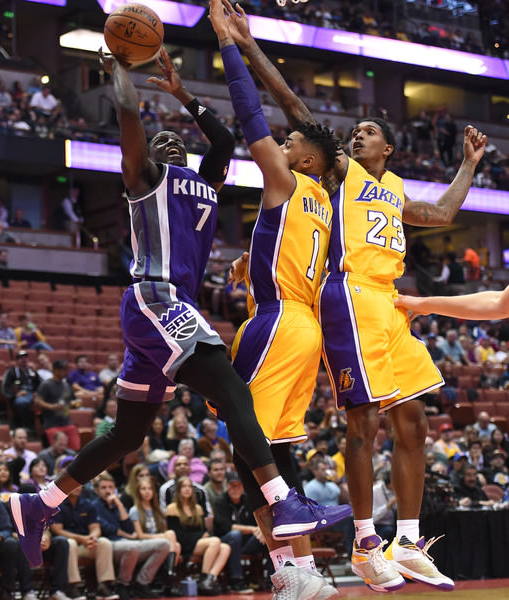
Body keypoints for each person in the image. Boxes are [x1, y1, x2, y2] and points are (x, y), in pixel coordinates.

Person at [9, 42, 353, 575]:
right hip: (156, 298)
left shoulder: (205, 183)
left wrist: (182, 93)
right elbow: (129, 118)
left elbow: (222, 138)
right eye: (159, 138)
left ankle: (40, 504)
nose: (167, 139)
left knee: (127, 435)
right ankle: (282, 497)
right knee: (234, 390)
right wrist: (122, 71)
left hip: (171, 312)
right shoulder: (144, 179)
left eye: (175, 138)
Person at [217, 0, 485, 592]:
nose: (358, 133)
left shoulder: (392, 189)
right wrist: (247, 42)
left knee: (413, 419)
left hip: (389, 301)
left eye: (369, 132)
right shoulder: (340, 172)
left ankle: (409, 541)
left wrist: (468, 164)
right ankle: (366, 543)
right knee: (362, 422)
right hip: (349, 294)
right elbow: (294, 108)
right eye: (354, 132)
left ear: (387, 149)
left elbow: (441, 212)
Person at [208, 5, 349, 599]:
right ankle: (299, 570)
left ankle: (294, 570)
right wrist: (251, 262)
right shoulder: (324, 196)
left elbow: (247, 115)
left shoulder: (288, 180)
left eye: (290, 143)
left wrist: (228, 46)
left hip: (278, 322)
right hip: (302, 328)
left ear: (306, 160)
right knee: (265, 450)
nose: (282, 145)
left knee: (247, 445)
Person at [92, 472, 170, 600]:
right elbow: (107, 529)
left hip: (127, 543)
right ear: (96, 490)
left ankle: (141, 583)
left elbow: (128, 526)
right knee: (132, 546)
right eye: (104, 488)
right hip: (108, 544)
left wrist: (119, 504)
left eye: (111, 487)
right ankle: (122, 584)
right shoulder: (94, 506)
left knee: (163, 544)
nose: (108, 491)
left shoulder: (117, 505)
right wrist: (128, 535)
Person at [51, 484, 119, 600]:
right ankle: (72, 586)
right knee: (70, 543)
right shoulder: (57, 505)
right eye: (74, 485)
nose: (77, 487)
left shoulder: (88, 504)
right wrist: (81, 539)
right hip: (66, 547)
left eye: (79, 485)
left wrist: (92, 537)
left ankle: (104, 586)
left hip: (85, 545)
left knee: (104, 542)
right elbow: (58, 530)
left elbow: (96, 528)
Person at [166, 475, 230, 596]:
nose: (187, 489)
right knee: (215, 541)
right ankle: (203, 577)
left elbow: (203, 530)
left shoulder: (198, 508)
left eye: (189, 486)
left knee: (225, 547)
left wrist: (204, 536)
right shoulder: (172, 508)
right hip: (183, 545)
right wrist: (202, 537)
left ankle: (209, 580)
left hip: (198, 543)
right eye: (184, 486)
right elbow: (177, 534)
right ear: (178, 490)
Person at [213, 471, 268, 593]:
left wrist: (261, 529)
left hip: (246, 544)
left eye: (238, 485)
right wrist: (253, 529)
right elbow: (227, 527)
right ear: (226, 486)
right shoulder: (220, 501)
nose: (235, 488)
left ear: (242, 487)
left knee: (267, 534)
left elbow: (257, 521)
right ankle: (237, 581)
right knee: (235, 535)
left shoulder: (247, 500)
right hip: (225, 543)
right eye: (232, 485)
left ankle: (271, 578)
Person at [129, 476, 181, 592]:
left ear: (153, 491)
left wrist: (162, 536)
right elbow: (140, 535)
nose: (147, 492)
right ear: (138, 491)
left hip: (160, 543)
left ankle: (167, 578)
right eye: (143, 489)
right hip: (143, 543)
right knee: (171, 535)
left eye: (149, 489)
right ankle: (169, 576)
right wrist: (160, 536)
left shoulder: (158, 511)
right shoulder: (135, 510)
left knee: (176, 546)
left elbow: (165, 532)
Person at [34, 359, 81, 451]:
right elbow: (38, 401)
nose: (65, 372)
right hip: (52, 424)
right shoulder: (46, 384)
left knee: (76, 448)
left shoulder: (66, 385)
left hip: (67, 422)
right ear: (55, 370)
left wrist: (74, 403)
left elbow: (72, 401)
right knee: (58, 450)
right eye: (62, 369)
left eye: (65, 369)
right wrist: (52, 406)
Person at [1, 349, 41, 428]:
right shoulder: (11, 372)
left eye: (25, 357)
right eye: (21, 358)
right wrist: (15, 394)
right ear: (17, 360)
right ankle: (25, 424)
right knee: (21, 402)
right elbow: (5, 388)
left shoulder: (32, 372)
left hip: (33, 395)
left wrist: (37, 392)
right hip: (20, 396)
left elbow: (39, 385)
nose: (24, 359)